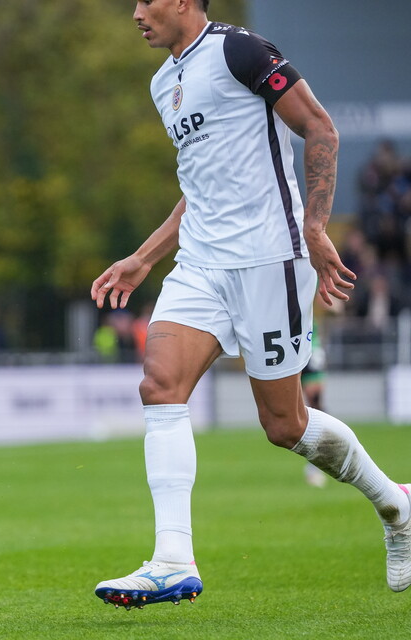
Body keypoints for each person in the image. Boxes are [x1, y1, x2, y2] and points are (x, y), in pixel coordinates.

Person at [90, 0, 411, 608]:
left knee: (285, 425)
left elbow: (321, 128)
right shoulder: (164, 81)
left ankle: (396, 505)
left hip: (272, 259)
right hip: (202, 266)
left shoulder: (241, 51)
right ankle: (173, 560)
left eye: (145, 0)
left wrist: (315, 228)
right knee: (160, 385)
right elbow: (198, 188)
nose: (135, 13)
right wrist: (145, 256)